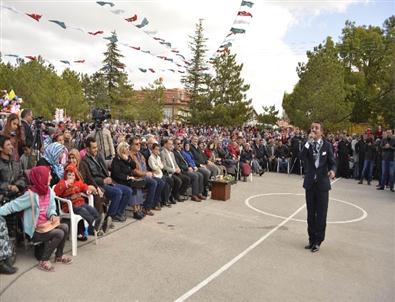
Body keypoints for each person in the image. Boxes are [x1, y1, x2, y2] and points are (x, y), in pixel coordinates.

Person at [0, 166, 72, 272]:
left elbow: (52, 208)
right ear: (41, 177)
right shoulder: (31, 195)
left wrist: (52, 215)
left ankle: (59, 256)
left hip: (46, 226)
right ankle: (44, 260)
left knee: (65, 226)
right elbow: (12, 206)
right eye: (49, 175)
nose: (51, 177)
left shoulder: (49, 192)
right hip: (35, 231)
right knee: (59, 233)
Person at [300, 122, 336, 253]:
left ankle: (318, 241)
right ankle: (311, 239)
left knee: (321, 214)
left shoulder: (327, 145)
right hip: (310, 183)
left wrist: (332, 171)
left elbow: (332, 163)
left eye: (316, 128)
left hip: (322, 185)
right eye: (312, 128)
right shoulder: (308, 144)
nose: (314, 130)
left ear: (322, 132)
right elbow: (301, 157)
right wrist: (308, 142)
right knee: (310, 214)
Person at [54, 164, 104, 240]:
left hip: (80, 203)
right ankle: (92, 221)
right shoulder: (62, 183)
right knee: (82, 210)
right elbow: (56, 191)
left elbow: (84, 186)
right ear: (66, 175)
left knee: (89, 208)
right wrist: (65, 184)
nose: (70, 177)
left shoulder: (77, 183)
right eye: (69, 175)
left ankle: (97, 219)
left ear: (75, 176)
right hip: (69, 206)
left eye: (73, 175)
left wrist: (87, 191)